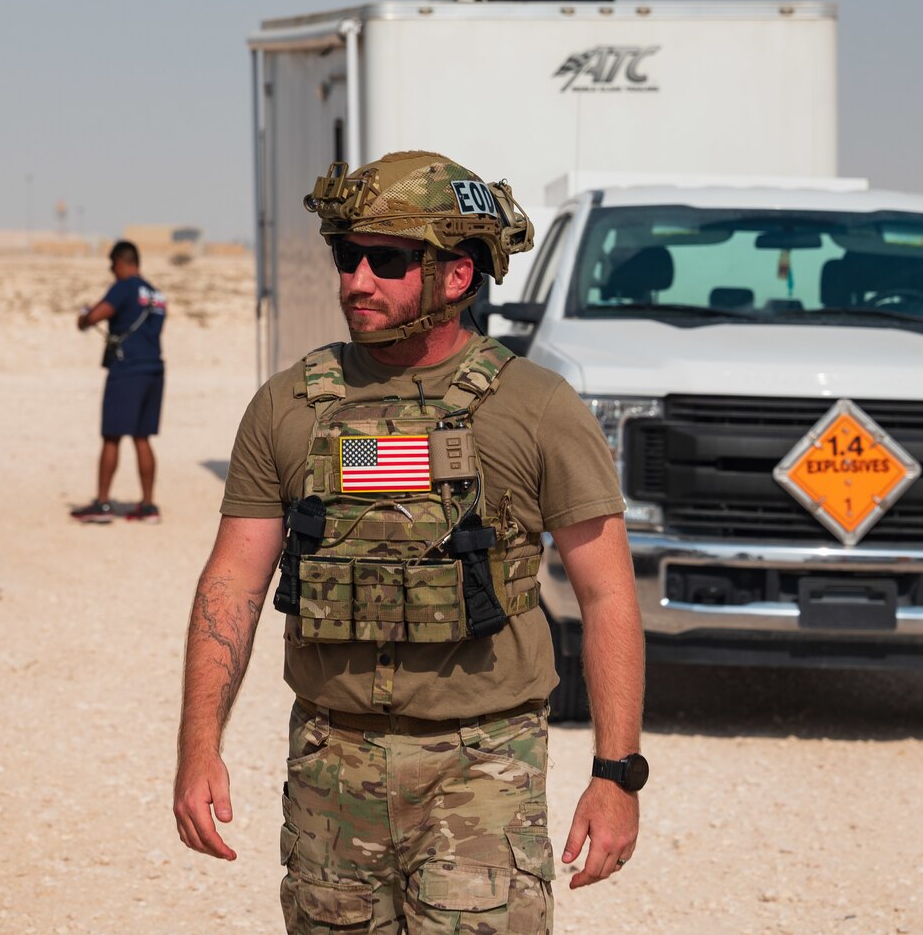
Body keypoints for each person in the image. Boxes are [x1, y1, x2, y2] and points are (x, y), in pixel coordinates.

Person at [173, 152, 645, 933]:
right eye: (345, 255)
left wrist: (617, 774)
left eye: (385, 260)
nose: (356, 279)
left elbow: (607, 593)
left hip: (482, 768)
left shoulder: (537, 408)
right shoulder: (288, 406)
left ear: (457, 276)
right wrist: (198, 748)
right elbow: (233, 583)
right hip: (332, 764)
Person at [72, 240, 167, 524]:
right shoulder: (156, 294)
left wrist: (84, 317)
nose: (112, 271)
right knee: (142, 437)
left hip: (127, 371)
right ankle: (148, 505)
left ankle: (102, 504)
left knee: (112, 436)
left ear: (122, 262)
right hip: (155, 369)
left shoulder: (124, 286)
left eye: (112, 266)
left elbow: (96, 316)